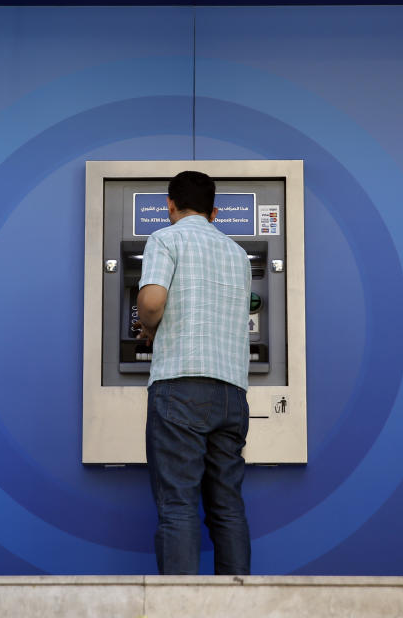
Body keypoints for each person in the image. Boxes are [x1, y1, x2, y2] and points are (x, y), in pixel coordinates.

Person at [136, 170, 252, 575]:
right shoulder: (237, 252)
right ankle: (237, 608)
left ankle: (180, 609)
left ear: (170, 205)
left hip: (181, 384)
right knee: (227, 508)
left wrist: (148, 327)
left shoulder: (165, 238)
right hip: (232, 393)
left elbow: (152, 302)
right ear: (215, 211)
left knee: (178, 505)